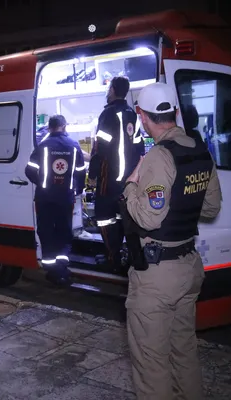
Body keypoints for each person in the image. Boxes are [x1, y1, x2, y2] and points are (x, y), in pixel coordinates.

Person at [120, 82, 222, 400]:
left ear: (142, 115)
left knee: (152, 367)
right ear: (174, 112)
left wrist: (130, 188)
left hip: (157, 276)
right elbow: (211, 208)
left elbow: (150, 217)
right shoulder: (200, 150)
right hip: (189, 267)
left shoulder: (158, 157)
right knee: (184, 355)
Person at [88, 76, 144, 272]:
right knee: (123, 216)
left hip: (109, 177)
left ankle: (113, 257)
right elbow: (139, 146)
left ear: (112, 90)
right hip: (128, 179)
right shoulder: (132, 115)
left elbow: (99, 148)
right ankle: (125, 256)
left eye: (108, 88)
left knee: (104, 217)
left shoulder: (108, 114)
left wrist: (92, 174)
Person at [25, 115, 86, 286]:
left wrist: (43, 182)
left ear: (50, 128)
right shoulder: (74, 146)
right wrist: (77, 190)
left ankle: (51, 270)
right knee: (64, 232)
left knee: (46, 232)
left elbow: (29, 171)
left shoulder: (43, 146)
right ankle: (62, 268)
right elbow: (81, 172)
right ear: (64, 127)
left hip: (45, 198)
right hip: (65, 197)